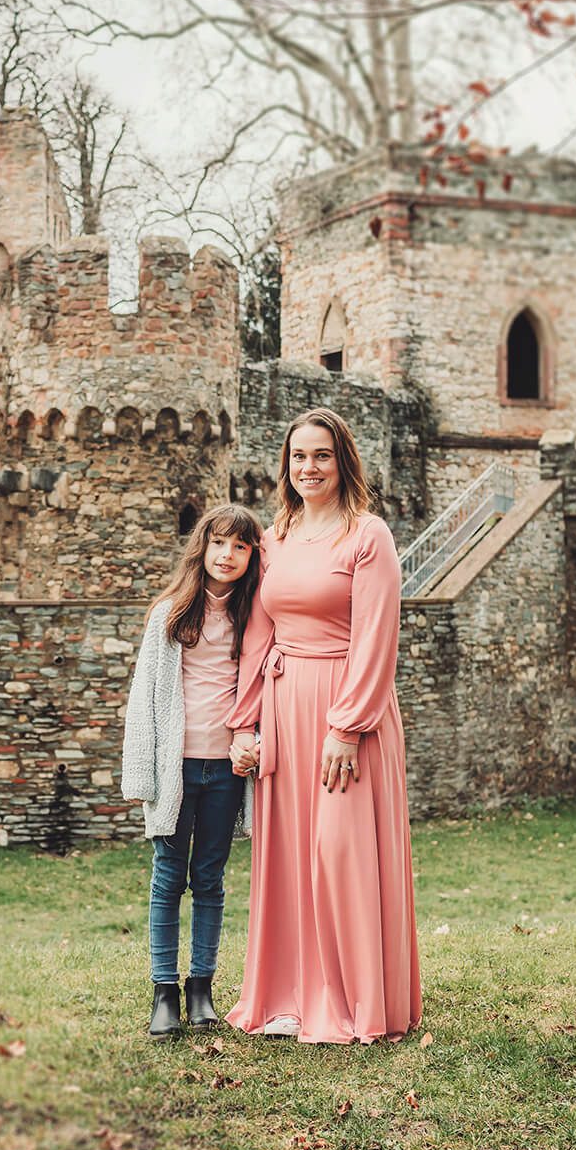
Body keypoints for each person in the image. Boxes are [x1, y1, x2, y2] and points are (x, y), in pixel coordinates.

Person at [224, 408, 421, 1044]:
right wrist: (244, 722)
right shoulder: (274, 538)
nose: (308, 468)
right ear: (285, 466)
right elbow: (258, 633)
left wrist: (348, 725)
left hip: (346, 712)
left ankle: (356, 1001)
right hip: (284, 708)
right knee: (286, 855)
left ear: (344, 463)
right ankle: (288, 997)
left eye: (321, 456)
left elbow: (376, 637)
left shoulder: (369, 536)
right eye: (298, 457)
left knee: (341, 853)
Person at [120, 503, 266, 1037]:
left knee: (209, 879)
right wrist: (141, 777)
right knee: (167, 879)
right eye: (219, 543)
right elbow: (144, 700)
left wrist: (257, 746)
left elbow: (262, 695)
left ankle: (200, 988)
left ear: (252, 557)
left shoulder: (254, 617)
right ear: (202, 548)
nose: (228, 555)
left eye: (241, 547)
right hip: (174, 768)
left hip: (226, 770)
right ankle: (164, 991)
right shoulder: (170, 614)